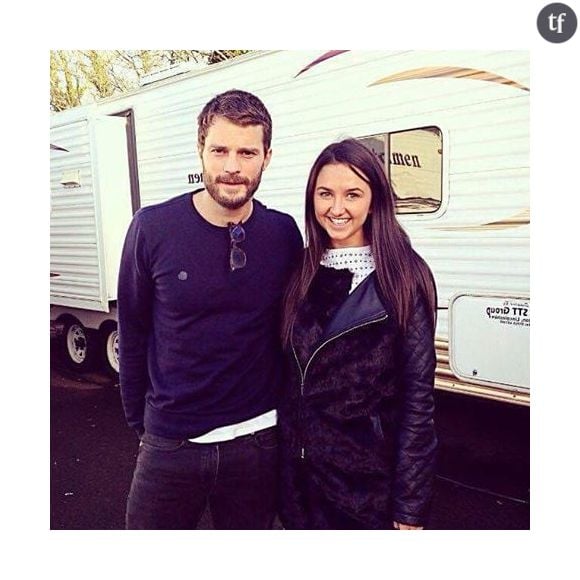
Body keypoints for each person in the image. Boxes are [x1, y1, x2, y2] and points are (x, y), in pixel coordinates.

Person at [118, 89, 303, 529]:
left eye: (247, 152)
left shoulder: (283, 234)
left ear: (267, 156)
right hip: (171, 442)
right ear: (200, 150)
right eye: (219, 150)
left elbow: (296, 330)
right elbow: (134, 329)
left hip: (258, 443)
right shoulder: (152, 228)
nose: (232, 166)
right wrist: (143, 425)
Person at [278, 139, 437, 530]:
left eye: (352, 194)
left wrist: (409, 507)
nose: (337, 208)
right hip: (298, 485)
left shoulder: (404, 276)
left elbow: (419, 402)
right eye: (325, 194)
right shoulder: (300, 269)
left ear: (374, 199)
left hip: (366, 488)